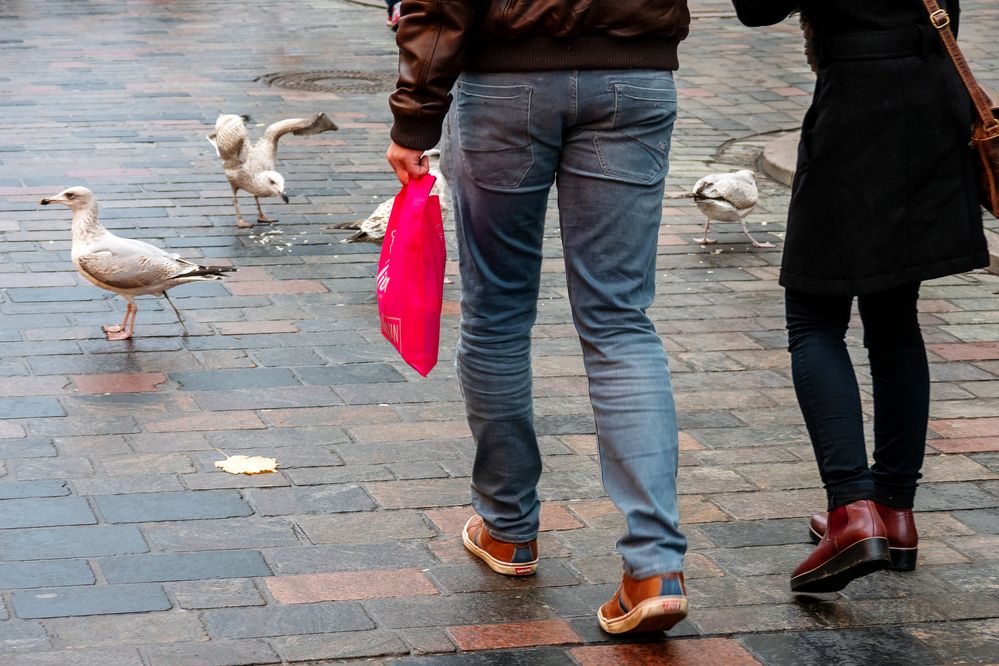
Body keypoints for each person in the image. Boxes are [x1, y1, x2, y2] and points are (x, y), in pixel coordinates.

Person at [386, 1, 692, 634]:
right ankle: (655, 566)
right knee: (619, 319)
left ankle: (509, 528)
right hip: (634, 75)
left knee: (497, 309)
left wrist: (416, 116)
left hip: (506, 81)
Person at [732, 0, 988, 593]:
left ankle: (852, 510)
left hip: (857, 104)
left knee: (814, 316)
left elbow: (755, 8)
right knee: (895, 314)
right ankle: (895, 513)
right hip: (929, 99)